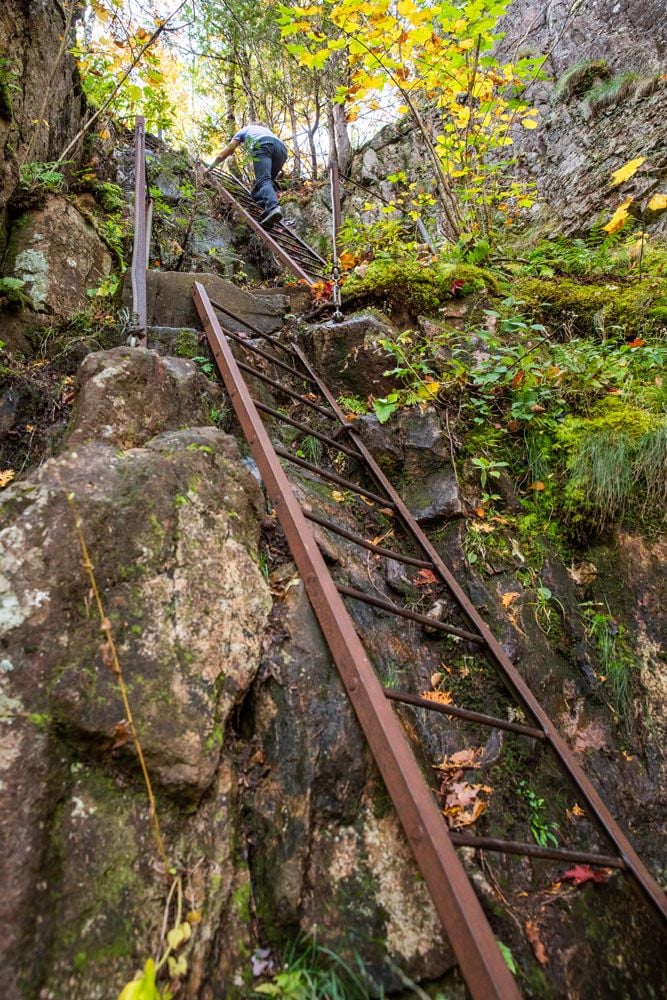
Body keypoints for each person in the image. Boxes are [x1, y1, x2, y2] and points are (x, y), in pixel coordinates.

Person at [206, 122, 287, 228]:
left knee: (264, 181)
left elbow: (228, 150)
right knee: (258, 189)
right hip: (282, 149)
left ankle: (273, 208)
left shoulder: (244, 130)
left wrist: (211, 166)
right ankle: (269, 211)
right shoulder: (266, 131)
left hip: (263, 144)